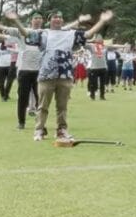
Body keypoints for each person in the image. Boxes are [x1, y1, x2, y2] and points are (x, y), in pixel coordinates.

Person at [36, 10, 112, 141]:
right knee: (43, 105)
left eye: (60, 17)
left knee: (62, 106)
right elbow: (26, 34)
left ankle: (61, 130)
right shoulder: (44, 34)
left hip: (65, 74)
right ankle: (39, 130)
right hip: (47, 74)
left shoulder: (70, 34)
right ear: (50, 20)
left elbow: (88, 34)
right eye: (55, 17)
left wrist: (102, 21)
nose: (58, 19)